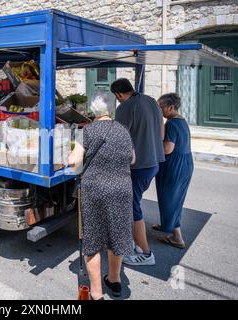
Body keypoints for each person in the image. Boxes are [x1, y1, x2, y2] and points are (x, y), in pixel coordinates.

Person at [67, 94, 135, 299]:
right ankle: (114, 281)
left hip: (95, 191)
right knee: (117, 235)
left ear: (92, 110)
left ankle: (96, 293)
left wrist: (70, 157)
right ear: (111, 110)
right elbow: (133, 159)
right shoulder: (123, 131)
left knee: (93, 239)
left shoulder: (87, 131)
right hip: (122, 190)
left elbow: (74, 161)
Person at [110, 78, 165, 266]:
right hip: (154, 162)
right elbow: (161, 131)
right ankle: (132, 239)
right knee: (133, 203)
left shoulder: (123, 108)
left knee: (132, 208)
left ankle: (146, 253)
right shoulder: (151, 100)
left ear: (118, 95)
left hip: (138, 166)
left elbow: (120, 141)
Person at [154, 93, 194, 249]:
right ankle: (167, 225)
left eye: (160, 107)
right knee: (176, 198)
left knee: (169, 198)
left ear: (170, 107)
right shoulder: (181, 121)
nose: (159, 110)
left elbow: (167, 149)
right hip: (185, 163)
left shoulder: (171, 124)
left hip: (174, 165)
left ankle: (177, 237)